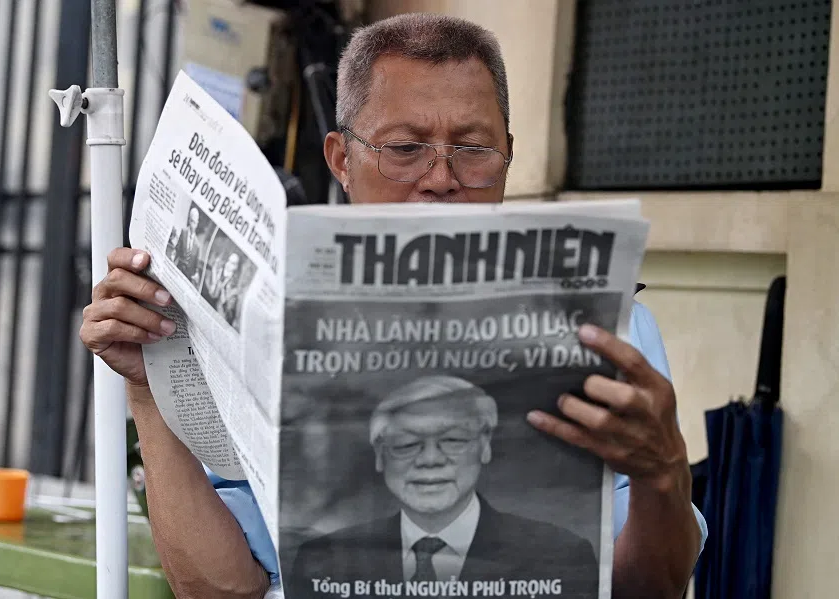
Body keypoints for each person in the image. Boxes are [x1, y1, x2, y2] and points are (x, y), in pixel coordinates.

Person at [79, 13, 707, 599]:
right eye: (405, 148)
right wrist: (146, 391)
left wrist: (665, 474)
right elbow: (219, 588)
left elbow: (650, 588)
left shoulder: (607, 330)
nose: (440, 177)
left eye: (474, 148)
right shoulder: (270, 324)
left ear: (508, 155)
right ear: (340, 159)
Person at [289, 376, 598, 598]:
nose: (430, 459)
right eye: (407, 443)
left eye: (453, 440)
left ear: (485, 446)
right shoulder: (323, 559)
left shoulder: (560, 554)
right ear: (380, 455)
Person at [203, 251, 242, 328]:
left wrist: (224, 299)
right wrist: (214, 280)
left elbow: (229, 318)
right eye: (229, 261)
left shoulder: (234, 290)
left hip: (217, 320)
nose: (228, 265)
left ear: (236, 268)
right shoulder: (217, 272)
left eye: (233, 263)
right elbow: (210, 293)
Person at [175, 206, 203, 285]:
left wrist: (196, 273)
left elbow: (197, 264)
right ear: (189, 220)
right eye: (191, 221)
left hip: (188, 276)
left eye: (194, 222)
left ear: (197, 223)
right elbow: (178, 248)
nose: (192, 224)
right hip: (178, 269)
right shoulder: (183, 232)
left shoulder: (198, 245)